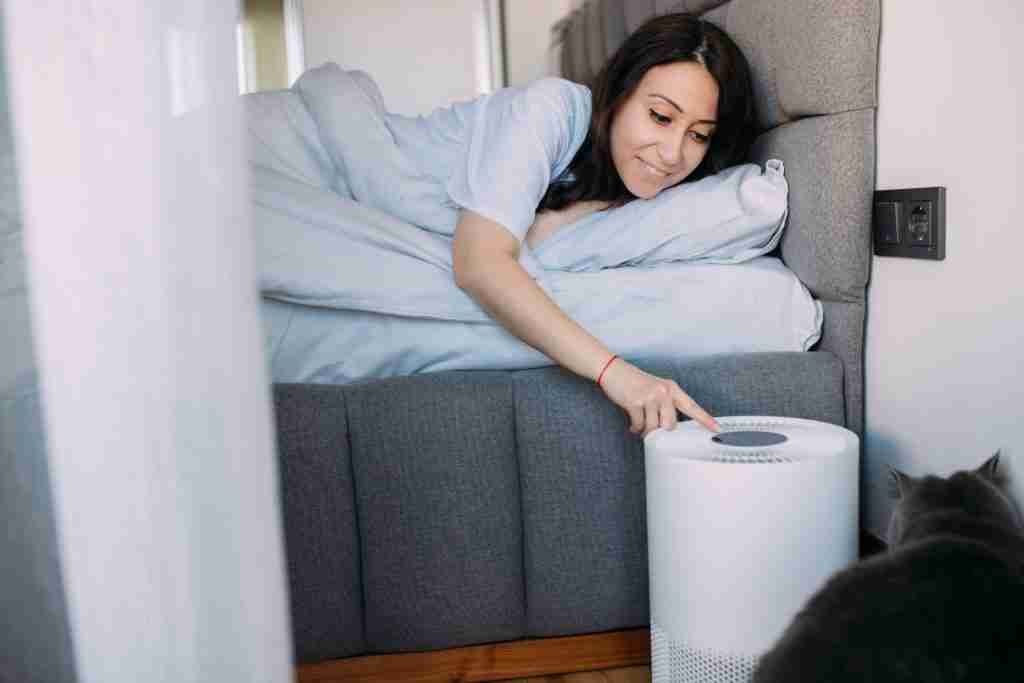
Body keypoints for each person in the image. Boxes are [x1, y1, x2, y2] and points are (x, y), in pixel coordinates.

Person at [449, 12, 756, 437]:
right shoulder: (551, 109)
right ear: (619, 92)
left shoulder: (633, 189)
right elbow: (477, 262)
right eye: (661, 117)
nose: (672, 153)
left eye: (699, 135)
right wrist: (615, 373)